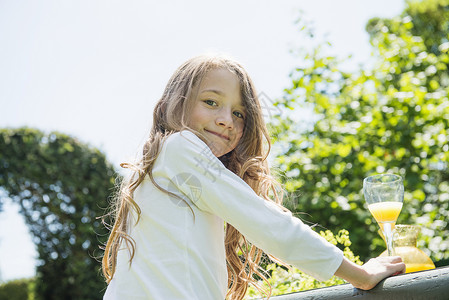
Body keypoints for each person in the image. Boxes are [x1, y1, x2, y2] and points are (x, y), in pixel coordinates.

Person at [101, 54, 405, 300]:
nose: (225, 119)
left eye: (239, 113)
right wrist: (361, 275)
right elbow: (267, 223)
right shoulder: (180, 147)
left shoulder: (162, 167)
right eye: (210, 102)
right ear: (172, 104)